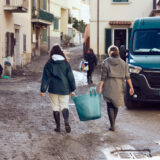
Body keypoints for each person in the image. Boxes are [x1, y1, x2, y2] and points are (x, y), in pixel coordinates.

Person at [40, 44, 76, 133]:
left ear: (52, 53)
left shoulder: (49, 64)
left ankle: (58, 127)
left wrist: (42, 90)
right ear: (61, 52)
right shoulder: (66, 63)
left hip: (53, 89)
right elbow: (71, 77)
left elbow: (45, 77)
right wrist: (72, 89)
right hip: (64, 89)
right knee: (64, 106)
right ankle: (66, 121)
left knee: (55, 107)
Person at [98, 45, 134, 131]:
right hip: (119, 86)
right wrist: (131, 87)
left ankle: (112, 125)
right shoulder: (123, 63)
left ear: (109, 52)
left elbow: (103, 77)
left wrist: (100, 87)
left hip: (108, 86)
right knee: (116, 105)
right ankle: (113, 123)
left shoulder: (105, 62)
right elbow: (127, 77)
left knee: (110, 105)